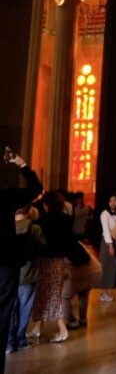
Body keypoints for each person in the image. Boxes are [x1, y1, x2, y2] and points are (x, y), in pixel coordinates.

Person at [0, 148, 42, 366]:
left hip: (6, 262)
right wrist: (21, 163)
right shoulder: (5, 198)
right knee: (4, 309)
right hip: (5, 263)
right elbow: (36, 188)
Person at [31, 191, 75, 343]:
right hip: (60, 260)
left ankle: (62, 329)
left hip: (46, 260)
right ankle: (37, 327)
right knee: (50, 292)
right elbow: (70, 242)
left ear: (45, 205)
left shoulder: (42, 221)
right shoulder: (67, 220)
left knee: (50, 293)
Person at [7, 205, 44, 354]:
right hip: (28, 275)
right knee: (25, 309)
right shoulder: (35, 229)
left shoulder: (6, 228)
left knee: (9, 310)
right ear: (27, 211)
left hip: (9, 275)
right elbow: (42, 247)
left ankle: (9, 343)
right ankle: (21, 340)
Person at [62, 240, 100, 332]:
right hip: (93, 269)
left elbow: (63, 269)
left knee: (64, 298)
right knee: (83, 294)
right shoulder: (78, 243)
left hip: (78, 273)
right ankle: (83, 319)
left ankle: (72, 321)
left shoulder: (61, 249)